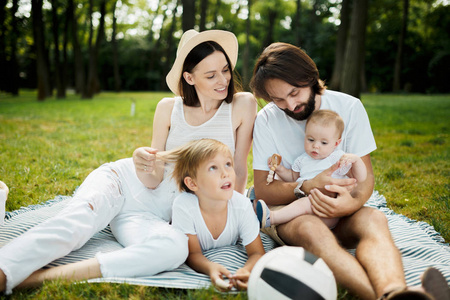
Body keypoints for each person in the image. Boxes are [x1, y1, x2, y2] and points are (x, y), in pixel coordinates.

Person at [0, 29, 257, 295]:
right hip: (122, 183)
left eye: (226, 70)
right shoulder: (168, 108)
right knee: (76, 224)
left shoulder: (242, 105)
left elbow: (238, 167)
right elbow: (152, 178)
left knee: (174, 249)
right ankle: (5, 272)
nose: (223, 80)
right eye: (211, 75)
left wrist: (233, 216)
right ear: (189, 78)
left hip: (150, 217)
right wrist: (140, 161)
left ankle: (45, 277)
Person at [249, 42, 447, 300]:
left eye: (295, 92)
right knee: (312, 229)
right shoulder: (266, 120)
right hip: (293, 211)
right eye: (278, 99)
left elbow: (366, 177)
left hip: (342, 205)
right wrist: (306, 187)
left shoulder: (349, 108)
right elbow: (264, 190)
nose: (290, 104)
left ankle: (394, 290)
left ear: (310, 77)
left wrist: (349, 205)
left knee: (374, 220)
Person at [158, 139, 264, 291]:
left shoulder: (242, 205)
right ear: (192, 183)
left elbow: (257, 253)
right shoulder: (184, 206)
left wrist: (246, 271)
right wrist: (211, 268)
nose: (225, 173)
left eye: (228, 164)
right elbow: (192, 253)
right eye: (213, 168)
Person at [256, 109, 367, 230]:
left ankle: (271, 218)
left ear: (336, 144)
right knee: (300, 212)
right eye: (311, 140)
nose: (316, 146)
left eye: (324, 142)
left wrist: (356, 160)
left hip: (329, 206)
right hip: (310, 208)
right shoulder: (303, 159)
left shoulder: (337, 158)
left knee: (304, 204)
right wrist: (279, 169)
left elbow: (361, 178)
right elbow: (293, 177)